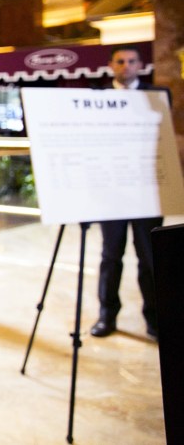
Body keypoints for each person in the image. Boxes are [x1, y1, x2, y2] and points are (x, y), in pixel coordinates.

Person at [90, 45, 163, 340]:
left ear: (140, 64)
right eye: (120, 61)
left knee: (150, 258)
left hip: (147, 192)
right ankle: (107, 315)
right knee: (111, 257)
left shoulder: (156, 96)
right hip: (112, 193)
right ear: (111, 65)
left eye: (131, 61)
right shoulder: (97, 99)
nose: (126, 66)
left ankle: (155, 319)